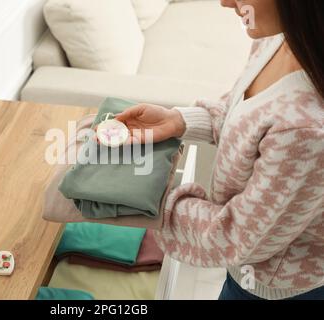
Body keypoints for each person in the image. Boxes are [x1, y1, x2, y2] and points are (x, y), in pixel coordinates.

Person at [114, 0, 324, 300]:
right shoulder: (280, 37)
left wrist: (144, 200)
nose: (225, 3)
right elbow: (244, 110)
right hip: (248, 272)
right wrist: (178, 120)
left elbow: (236, 237)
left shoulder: (305, 129)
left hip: (273, 289)